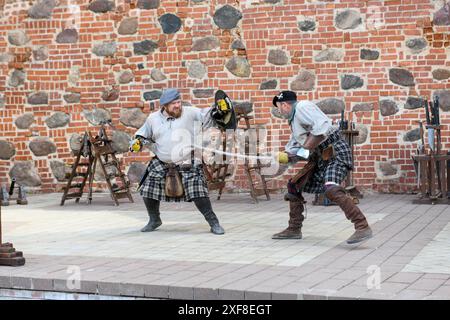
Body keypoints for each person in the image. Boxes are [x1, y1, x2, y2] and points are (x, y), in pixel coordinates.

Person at [272, 90, 373, 244]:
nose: (279, 111)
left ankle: (362, 226)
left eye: (278, 107)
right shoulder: (294, 122)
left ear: (285, 105)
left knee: (331, 188)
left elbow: (322, 129)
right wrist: (283, 157)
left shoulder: (302, 107)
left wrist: (303, 151)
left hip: (335, 152)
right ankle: (294, 229)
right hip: (319, 158)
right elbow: (297, 150)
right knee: (294, 185)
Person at [130, 88, 230, 235]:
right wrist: (137, 142)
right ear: (164, 106)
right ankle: (154, 220)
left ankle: (214, 222)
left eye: (178, 102)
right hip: (162, 161)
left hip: (187, 160)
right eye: (173, 103)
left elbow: (210, 116)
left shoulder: (191, 113)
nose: (177, 105)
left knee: (198, 191)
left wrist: (221, 109)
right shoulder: (153, 119)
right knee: (148, 189)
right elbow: (141, 136)